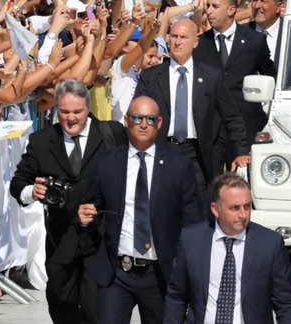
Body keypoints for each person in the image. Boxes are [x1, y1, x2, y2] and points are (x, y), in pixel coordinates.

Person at [77, 96, 204, 324]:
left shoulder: (179, 166)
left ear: (160, 123)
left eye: (150, 119)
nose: (143, 124)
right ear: (126, 121)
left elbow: (193, 223)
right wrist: (86, 218)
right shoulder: (107, 161)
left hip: (160, 274)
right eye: (137, 118)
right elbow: (92, 207)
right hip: (117, 272)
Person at [9, 79, 127, 324]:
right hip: (61, 239)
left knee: (98, 310)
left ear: (87, 108)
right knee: (61, 303)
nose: (71, 118)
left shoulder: (111, 134)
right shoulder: (42, 141)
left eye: (77, 112)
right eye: (64, 112)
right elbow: (17, 184)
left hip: (100, 239)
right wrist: (34, 191)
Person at [133, 19, 250, 202]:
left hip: (197, 155)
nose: (177, 42)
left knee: (198, 214)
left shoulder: (211, 76)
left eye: (184, 37)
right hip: (162, 152)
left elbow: (232, 116)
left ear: (195, 42)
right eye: (174, 36)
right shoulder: (151, 76)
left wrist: (241, 150)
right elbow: (137, 116)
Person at [164, 174, 291, 324]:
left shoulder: (270, 244)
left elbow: (286, 304)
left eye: (247, 206)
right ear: (216, 209)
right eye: (235, 208)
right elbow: (177, 296)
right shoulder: (192, 239)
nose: (243, 214)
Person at [195, 0, 276, 146]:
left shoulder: (255, 41)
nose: (209, 11)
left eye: (215, 6)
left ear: (231, 10)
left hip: (246, 125)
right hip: (211, 128)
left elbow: (271, 76)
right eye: (208, 6)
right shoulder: (200, 43)